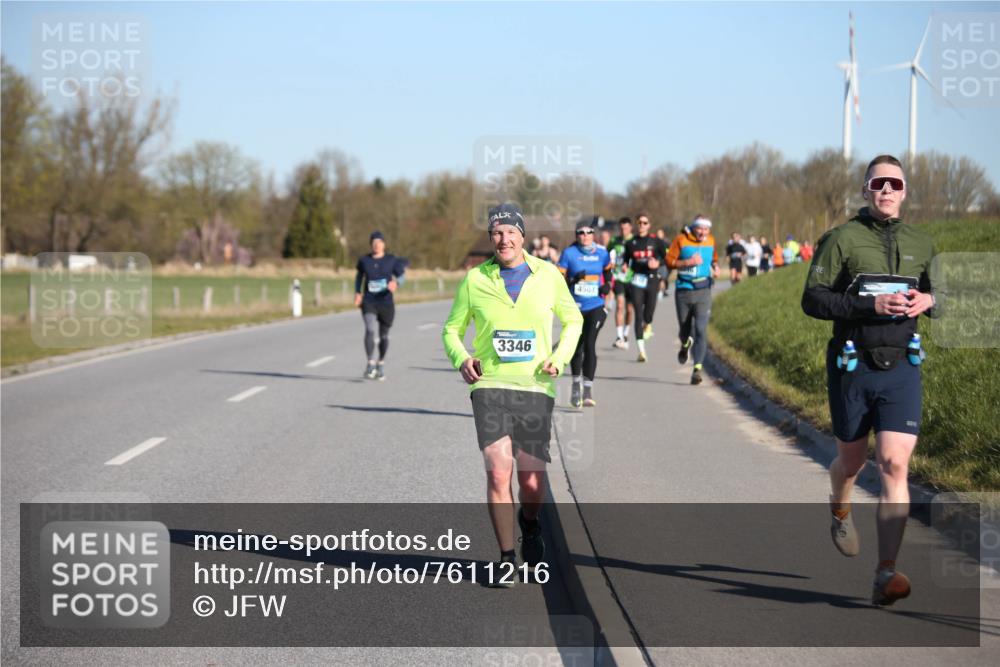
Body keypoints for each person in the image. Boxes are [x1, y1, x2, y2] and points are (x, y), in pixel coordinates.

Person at [802, 154, 938, 607]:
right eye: (877, 183)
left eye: (894, 184)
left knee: (895, 465)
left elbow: (947, 296)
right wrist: (869, 307)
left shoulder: (922, 242)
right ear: (865, 189)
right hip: (852, 364)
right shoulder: (842, 240)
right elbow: (813, 299)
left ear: (904, 192)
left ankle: (886, 573)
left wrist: (930, 300)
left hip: (902, 365)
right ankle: (840, 504)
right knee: (853, 462)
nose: (886, 190)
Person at [442, 203, 583, 586]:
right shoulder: (475, 280)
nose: (503, 240)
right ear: (491, 239)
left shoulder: (549, 275)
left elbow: (574, 320)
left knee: (532, 483)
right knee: (498, 468)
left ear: (522, 236)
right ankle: (506, 557)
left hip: (536, 385)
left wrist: (559, 357)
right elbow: (451, 330)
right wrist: (461, 358)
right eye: (496, 234)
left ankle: (530, 523)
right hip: (490, 386)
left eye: (510, 233)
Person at [559, 219, 612, 407]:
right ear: (576, 235)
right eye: (581, 233)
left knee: (590, 343)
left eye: (589, 232)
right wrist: (574, 279)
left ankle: (588, 390)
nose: (585, 236)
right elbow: (559, 280)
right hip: (575, 308)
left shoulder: (602, 253)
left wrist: (607, 285)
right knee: (577, 347)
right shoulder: (568, 253)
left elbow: (608, 272)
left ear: (593, 234)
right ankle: (575, 386)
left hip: (596, 305)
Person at [667, 215, 720, 385]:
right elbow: (669, 261)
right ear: (694, 228)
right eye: (700, 228)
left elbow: (715, 258)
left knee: (700, 329)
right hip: (684, 290)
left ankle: (697, 369)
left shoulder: (711, 241)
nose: (703, 232)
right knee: (684, 328)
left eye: (706, 229)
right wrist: (688, 262)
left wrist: (716, 267)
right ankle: (685, 345)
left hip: (703, 290)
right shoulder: (681, 240)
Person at [354, 231, 405, 380]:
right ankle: (370, 363)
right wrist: (357, 292)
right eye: (374, 242)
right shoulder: (364, 260)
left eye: (379, 242)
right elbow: (359, 277)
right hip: (369, 301)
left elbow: (402, 276)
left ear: (384, 244)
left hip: (386, 303)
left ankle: (380, 363)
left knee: (384, 336)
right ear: (371, 245)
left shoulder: (391, 260)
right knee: (369, 329)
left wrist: (396, 283)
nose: (377, 245)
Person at [624, 213, 668, 362]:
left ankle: (648, 324)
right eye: (639, 223)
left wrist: (658, 263)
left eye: (645, 223)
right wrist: (624, 268)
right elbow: (625, 260)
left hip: (652, 280)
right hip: (637, 281)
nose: (642, 225)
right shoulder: (631, 243)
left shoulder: (657, 241)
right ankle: (641, 351)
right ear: (637, 225)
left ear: (649, 225)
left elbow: (666, 258)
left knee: (648, 314)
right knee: (638, 314)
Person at [608, 217, 635, 349]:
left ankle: (626, 333)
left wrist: (632, 267)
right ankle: (619, 336)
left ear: (630, 228)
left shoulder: (635, 241)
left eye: (626, 228)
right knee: (620, 305)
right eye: (621, 228)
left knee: (630, 309)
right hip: (618, 277)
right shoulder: (614, 241)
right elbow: (607, 255)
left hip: (631, 278)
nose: (623, 230)